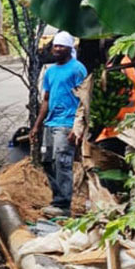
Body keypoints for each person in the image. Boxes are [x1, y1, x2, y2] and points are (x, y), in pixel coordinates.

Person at [28, 31, 87, 218]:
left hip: (67, 123)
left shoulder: (77, 69)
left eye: (61, 46)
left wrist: (78, 127)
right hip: (50, 123)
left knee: (63, 162)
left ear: (69, 48)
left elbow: (84, 99)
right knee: (47, 162)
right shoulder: (51, 71)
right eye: (55, 46)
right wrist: (37, 126)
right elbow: (46, 99)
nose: (57, 49)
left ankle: (64, 205)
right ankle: (57, 198)